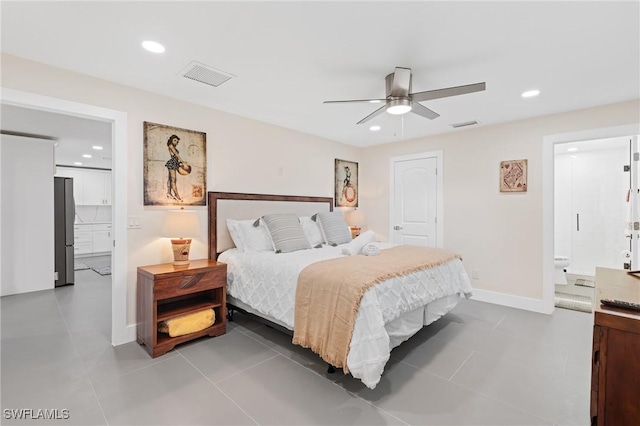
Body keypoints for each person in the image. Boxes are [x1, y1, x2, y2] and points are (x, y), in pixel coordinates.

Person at [165, 134, 185, 202]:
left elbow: (176, 157)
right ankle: (177, 196)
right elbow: (176, 155)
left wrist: (180, 162)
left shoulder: (172, 146)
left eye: (177, 141)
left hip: (174, 163)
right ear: (171, 140)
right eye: (175, 140)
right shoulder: (170, 146)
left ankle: (169, 193)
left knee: (170, 179)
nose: (176, 142)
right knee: (173, 181)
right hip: (172, 163)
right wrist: (183, 162)